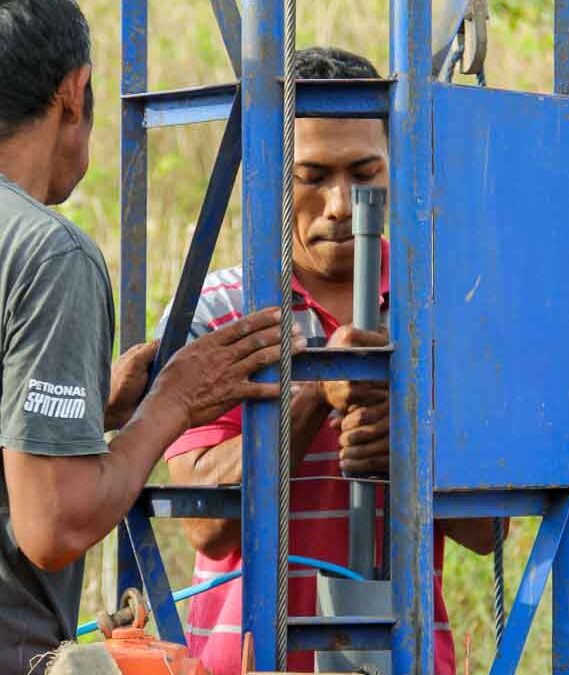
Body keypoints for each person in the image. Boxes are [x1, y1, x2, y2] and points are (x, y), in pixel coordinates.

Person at [161, 47, 497, 675]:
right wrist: (315, 393)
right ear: (267, 169)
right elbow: (207, 525)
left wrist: (408, 453)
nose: (342, 205)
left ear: (395, 163)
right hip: (249, 656)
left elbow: (488, 534)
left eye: (365, 172)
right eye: (311, 176)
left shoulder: (444, 309)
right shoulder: (220, 309)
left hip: (399, 655)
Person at [0, 2, 298, 673]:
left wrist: (88, 406)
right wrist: (173, 402)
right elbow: (52, 523)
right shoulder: (47, 256)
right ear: (73, 94)